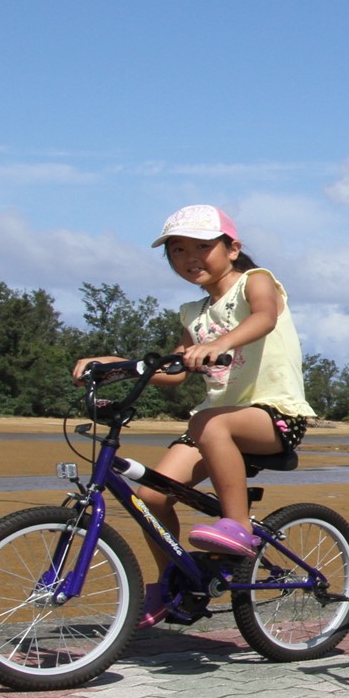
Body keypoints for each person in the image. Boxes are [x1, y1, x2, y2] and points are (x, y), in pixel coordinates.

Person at [72, 204, 314, 628]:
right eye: (178, 250)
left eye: (203, 247)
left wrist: (222, 343)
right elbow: (176, 370)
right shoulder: (192, 313)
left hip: (274, 414)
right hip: (212, 424)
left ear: (232, 248)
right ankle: (176, 580)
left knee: (211, 422)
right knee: (151, 495)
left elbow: (264, 317)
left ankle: (237, 524)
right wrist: (117, 364)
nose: (189, 258)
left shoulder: (255, 282)